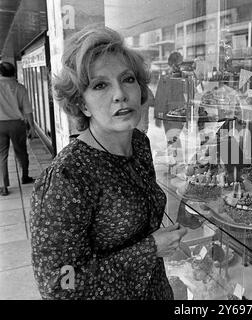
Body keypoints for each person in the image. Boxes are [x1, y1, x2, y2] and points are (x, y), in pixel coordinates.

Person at [30, 25, 187, 300]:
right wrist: (149, 249)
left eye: (127, 79)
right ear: (82, 104)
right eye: (100, 85)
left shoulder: (139, 143)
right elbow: (58, 286)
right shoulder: (67, 177)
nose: (120, 94)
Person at [0, 61, 37, 196]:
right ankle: (25, 176)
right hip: (16, 124)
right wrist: (32, 127)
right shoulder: (20, 88)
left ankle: (3, 186)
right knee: (21, 151)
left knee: (1, 155)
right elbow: (27, 110)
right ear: (14, 73)